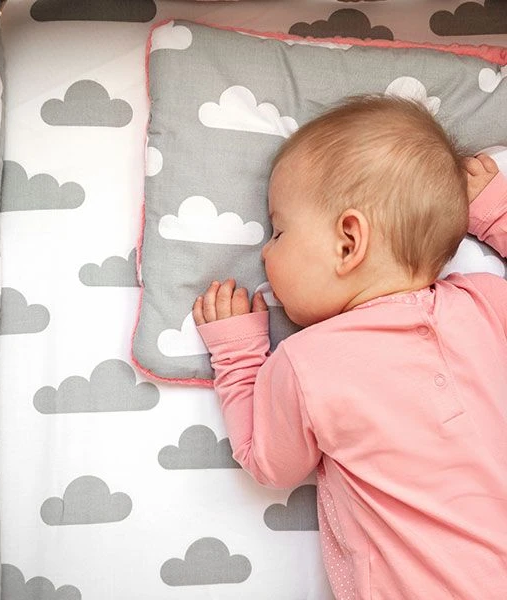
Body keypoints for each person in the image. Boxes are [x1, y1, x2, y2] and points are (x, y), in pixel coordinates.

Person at [192, 95, 507, 599]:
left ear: (348, 242)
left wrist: (238, 356)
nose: (266, 253)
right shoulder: (484, 303)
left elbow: (269, 464)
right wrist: (494, 212)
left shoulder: (304, 363)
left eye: (278, 231)